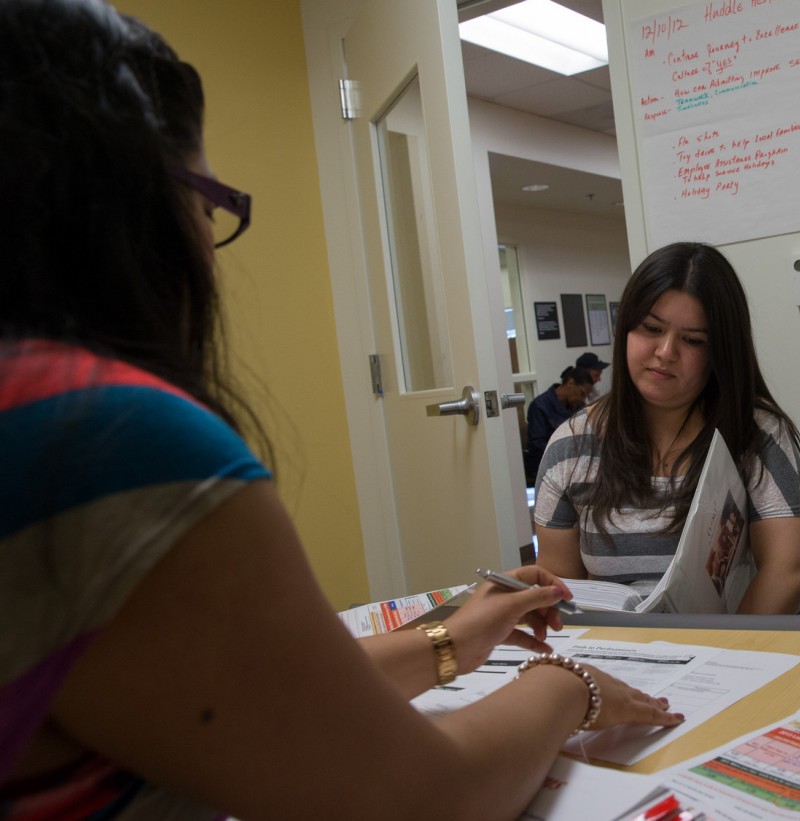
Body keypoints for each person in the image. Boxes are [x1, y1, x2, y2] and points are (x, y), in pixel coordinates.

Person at [0, 2, 679, 818]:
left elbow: (247, 687)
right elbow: (422, 797)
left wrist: (448, 638)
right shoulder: (95, 432)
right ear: (136, 208)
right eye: (208, 203)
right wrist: (564, 685)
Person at [534, 242, 800, 614]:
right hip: (623, 654)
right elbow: (560, 594)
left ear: (721, 352)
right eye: (651, 328)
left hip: (743, 647)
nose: (666, 352)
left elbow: (788, 571)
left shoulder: (757, 436)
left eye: (693, 340)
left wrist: (717, 656)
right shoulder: (570, 447)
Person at [523, 366, 593, 482]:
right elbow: (537, 445)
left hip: (572, 466)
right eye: (581, 393)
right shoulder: (540, 406)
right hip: (546, 469)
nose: (582, 399)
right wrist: (568, 453)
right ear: (570, 383)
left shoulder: (578, 407)